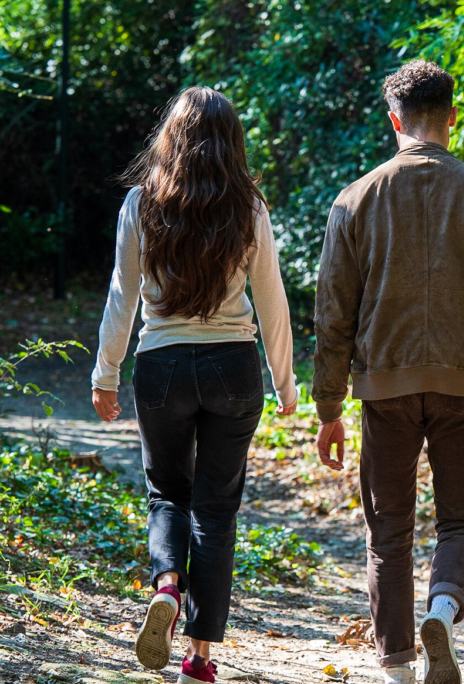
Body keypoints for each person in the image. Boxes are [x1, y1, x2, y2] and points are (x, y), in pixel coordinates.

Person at [312, 60, 464, 684]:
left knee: (387, 528)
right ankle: (442, 613)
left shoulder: (354, 200)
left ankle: (395, 666)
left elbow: (333, 314)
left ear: (393, 120)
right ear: (452, 116)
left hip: (384, 383)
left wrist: (329, 407)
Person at [91, 87, 297, 684]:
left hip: (161, 365)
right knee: (217, 507)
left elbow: (121, 298)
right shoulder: (248, 209)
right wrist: (286, 384)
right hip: (232, 366)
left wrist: (106, 375)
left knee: (167, 493)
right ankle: (200, 658)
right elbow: (273, 301)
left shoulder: (141, 204)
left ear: (170, 139)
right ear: (232, 144)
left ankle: (166, 588)